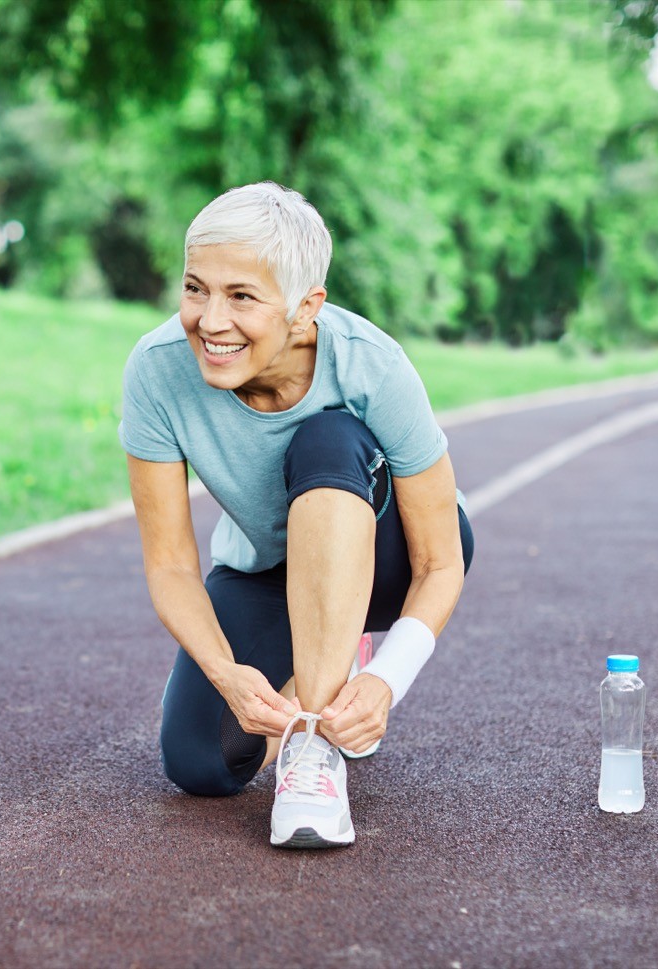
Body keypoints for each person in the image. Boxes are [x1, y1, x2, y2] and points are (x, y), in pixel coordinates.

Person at [118, 182, 474, 849]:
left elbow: (442, 559)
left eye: (242, 297)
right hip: (268, 568)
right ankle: (327, 663)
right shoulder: (157, 371)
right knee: (200, 762)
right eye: (196, 288)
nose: (210, 321)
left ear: (307, 308)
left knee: (328, 439)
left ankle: (316, 750)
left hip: (391, 557)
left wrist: (384, 680)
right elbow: (168, 563)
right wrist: (228, 674)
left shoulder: (372, 365)